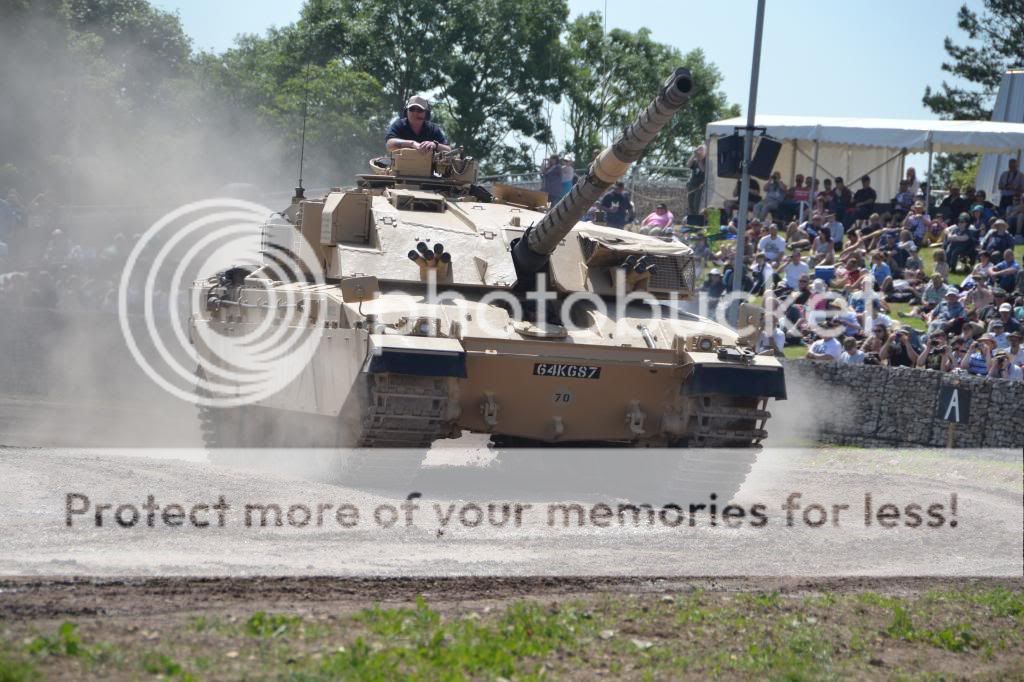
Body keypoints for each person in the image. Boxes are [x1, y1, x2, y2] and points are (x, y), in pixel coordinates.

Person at [385, 95, 450, 153]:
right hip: (401, 165)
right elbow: (389, 145)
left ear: (426, 114)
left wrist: (435, 145)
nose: (415, 113)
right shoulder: (399, 125)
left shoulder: (433, 129)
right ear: (406, 111)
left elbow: (448, 149)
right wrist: (412, 143)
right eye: (412, 109)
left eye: (420, 110)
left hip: (427, 166)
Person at [686, 145, 706, 216]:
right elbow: (688, 165)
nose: (699, 151)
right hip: (692, 185)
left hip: (700, 186)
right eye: (698, 149)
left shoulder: (706, 160)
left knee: (696, 204)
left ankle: (697, 219)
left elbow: (703, 170)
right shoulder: (695, 160)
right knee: (690, 204)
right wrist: (694, 155)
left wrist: (699, 160)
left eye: (701, 149)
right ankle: (692, 219)